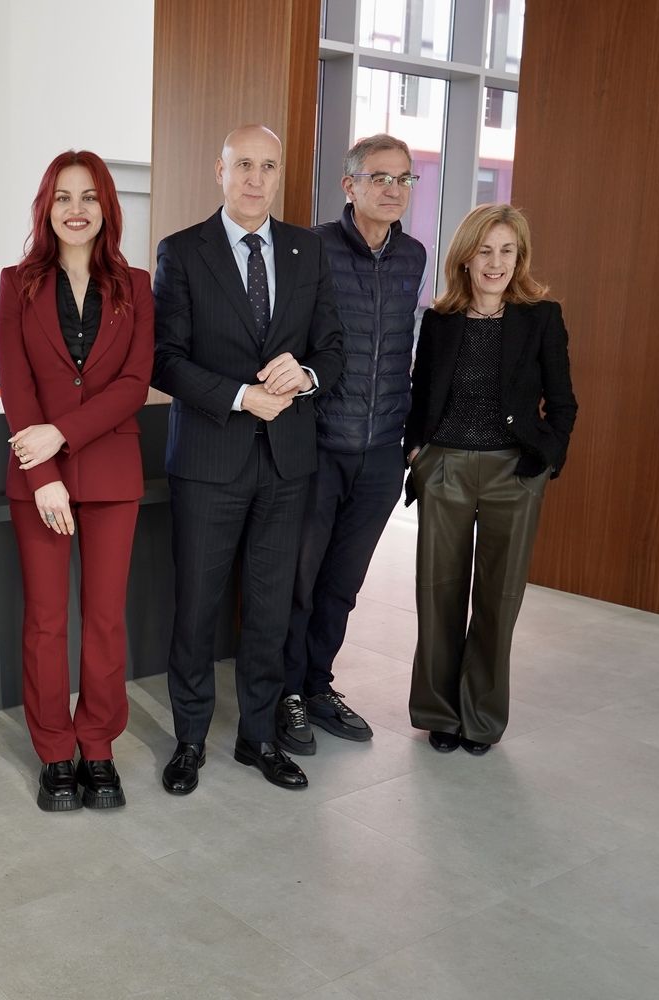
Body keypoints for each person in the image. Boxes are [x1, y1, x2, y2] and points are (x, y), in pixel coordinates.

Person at [151, 124, 344, 794]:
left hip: (288, 465)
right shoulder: (181, 251)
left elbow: (334, 350)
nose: (256, 179)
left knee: (269, 610)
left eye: (268, 166)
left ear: (279, 173)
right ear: (219, 170)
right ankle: (189, 741)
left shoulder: (307, 250)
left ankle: (258, 738)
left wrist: (307, 374)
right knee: (198, 608)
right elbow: (164, 360)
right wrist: (239, 397)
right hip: (209, 460)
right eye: (243, 166)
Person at [0, 151, 155, 812]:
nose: (76, 208)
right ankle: (55, 752)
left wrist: (63, 435)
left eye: (88, 196)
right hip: (40, 480)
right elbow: (19, 384)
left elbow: (133, 385)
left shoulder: (136, 285)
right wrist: (46, 474)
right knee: (45, 621)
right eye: (63, 196)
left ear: (106, 206)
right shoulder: (17, 283)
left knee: (106, 620)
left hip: (114, 474)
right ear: (47, 206)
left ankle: (98, 746)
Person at [404, 203, 577, 755]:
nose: (495, 262)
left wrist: (547, 460)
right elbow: (420, 394)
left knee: (499, 599)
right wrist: (417, 453)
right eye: (485, 250)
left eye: (506, 250)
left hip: (514, 471)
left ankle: (481, 717)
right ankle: (439, 713)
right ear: (466, 257)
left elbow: (564, 402)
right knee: (439, 595)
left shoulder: (542, 317)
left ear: (519, 257)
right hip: (446, 467)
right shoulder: (439, 320)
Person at [278, 134, 427, 755]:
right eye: (380, 177)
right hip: (317, 446)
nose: (393, 190)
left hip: (382, 451)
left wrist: (412, 436)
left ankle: (318, 686)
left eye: (404, 179)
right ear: (351, 185)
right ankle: (285, 693)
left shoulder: (414, 257)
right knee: (300, 580)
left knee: (343, 583)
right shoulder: (308, 248)